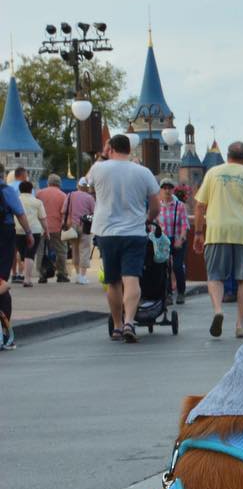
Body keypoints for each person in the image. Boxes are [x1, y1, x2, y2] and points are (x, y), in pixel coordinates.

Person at [86, 134, 161, 341]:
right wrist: (147, 219)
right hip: (135, 232)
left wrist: (102, 155)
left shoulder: (99, 168)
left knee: (113, 281)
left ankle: (117, 325)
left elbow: (83, 183)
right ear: (130, 149)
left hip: (107, 232)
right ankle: (129, 321)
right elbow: (156, 206)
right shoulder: (143, 172)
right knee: (132, 278)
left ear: (110, 148)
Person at [193, 141, 243, 339]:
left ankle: (218, 310)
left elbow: (200, 206)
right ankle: (239, 325)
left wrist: (198, 233)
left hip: (217, 231)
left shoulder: (213, 173)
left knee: (215, 277)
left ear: (227, 156)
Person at [0, 174, 34, 350]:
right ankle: (5, 333)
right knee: (2, 284)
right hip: (4, 234)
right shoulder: (7, 191)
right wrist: (28, 233)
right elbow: (20, 214)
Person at [157, 179, 190, 303]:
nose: (167, 190)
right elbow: (154, 225)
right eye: (164, 188)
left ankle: (181, 292)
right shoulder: (158, 206)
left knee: (177, 266)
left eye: (169, 188)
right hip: (164, 241)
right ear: (161, 190)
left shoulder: (179, 206)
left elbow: (184, 225)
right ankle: (168, 294)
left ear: (173, 190)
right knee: (164, 268)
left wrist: (180, 239)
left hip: (177, 239)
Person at [36, 173, 70, 282]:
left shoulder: (39, 193)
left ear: (48, 182)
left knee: (40, 251)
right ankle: (61, 274)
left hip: (40, 227)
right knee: (61, 251)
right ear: (59, 183)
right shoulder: (62, 195)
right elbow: (64, 214)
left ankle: (42, 274)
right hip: (57, 228)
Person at [64, 178, 97, 283]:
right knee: (85, 250)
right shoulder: (90, 198)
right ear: (87, 187)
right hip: (85, 226)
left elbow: (63, 210)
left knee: (75, 250)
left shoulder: (70, 195)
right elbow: (94, 212)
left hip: (72, 226)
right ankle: (83, 276)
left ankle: (77, 274)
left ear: (78, 186)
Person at [14, 180, 46, 286]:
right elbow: (42, 218)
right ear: (31, 190)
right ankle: (27, 279)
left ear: (20, 190)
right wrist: (46, 230)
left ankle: (22, 274)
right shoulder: (37, 202)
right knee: (30, 254)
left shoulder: (16, 200)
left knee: (22, 254)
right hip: (35, 230)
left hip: (18, 230)